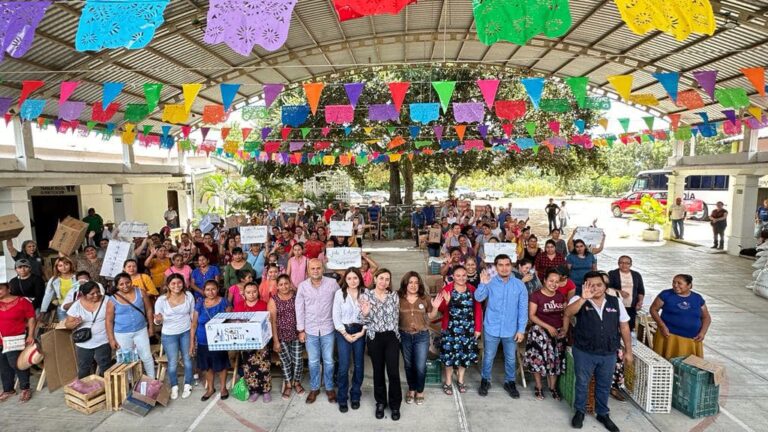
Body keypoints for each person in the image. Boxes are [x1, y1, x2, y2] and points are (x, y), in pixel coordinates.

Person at [564, 271, 633, 432]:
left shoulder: (615, 302)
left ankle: (603, 413)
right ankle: (579, 411)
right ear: (585, 285)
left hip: (608, 352)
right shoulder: (578, 299)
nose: (595, 288)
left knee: (604, 384)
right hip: (584, 351)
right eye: (591, 285)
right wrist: (583, 298)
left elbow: (624, 326)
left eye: (599, 284)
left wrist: (628, 351)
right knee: (582, 383)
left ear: (605, 286)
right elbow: (567, 313)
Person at [475, 254, 528, 398]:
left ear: (512, 266)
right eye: (500, 265)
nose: (504, 268)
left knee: (510, 357)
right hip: (492, 327)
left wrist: (521, 330)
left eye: (507, 265)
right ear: (496, 267)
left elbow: (523, 309)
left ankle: (509, 382)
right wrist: (483, 284)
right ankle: (485, 380)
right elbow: (478, 298)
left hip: (511, 329)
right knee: (489, 356)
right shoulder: (490, 282)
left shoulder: (519, 285)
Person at [359, 269, 402, 421]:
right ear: (375, 278)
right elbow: (361, 320)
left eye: (387, 279)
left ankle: (395, 405)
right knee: (378, 371)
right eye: (381, 278)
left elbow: (396, 318)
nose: (384, 282)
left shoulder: (394, 296)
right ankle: (380, 402)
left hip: (391, 337)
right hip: (374, 337)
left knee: (393, 372)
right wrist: (365, 313)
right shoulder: (366, 296)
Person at [295, 259, 339, 404]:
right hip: (310, 329)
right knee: (313, 362)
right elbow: (299, 309)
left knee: (329, 361)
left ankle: (329, 387)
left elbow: (339, 304)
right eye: (312, 268)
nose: (315, 271)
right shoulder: (302, 287)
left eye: (318, 268)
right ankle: (314, 388)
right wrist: (301, 330)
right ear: (308, 271)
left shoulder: (332, 284)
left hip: (328, 328)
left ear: (323, 269)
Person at [435, 266, 482, 396]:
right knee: (449, 356)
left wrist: (478, 328)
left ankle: (461, 380)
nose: (461, 278)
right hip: (450, 328)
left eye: (464, 275)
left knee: (465, 355)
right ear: (453, 277)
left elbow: (478, 310)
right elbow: (440, 309)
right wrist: (447, 302)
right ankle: (448, 381)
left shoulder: (472, 290)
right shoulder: (447, 289)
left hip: (468, 329)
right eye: (458, 275)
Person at [398, 271, 441, 405]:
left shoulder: (425, 298)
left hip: (421, 336)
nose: (413, 285)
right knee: (408, 365)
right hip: (404, 336)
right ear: (405, 284)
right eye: (410, 282)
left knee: (420, 366)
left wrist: (435, 308)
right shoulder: (398, 298)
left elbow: (431, 317)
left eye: (416, 282)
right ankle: (411, 389)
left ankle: (420, 390)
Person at [524, 269, 567, 401]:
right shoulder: (536, 295)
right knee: (538, 360)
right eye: (551, 281)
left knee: (555, 361)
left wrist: (565, 328)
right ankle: (538, 387)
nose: (553, 284)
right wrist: (548, 327)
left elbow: (566, 314)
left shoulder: (560, 296)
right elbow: (532, 315)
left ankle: (552, 387)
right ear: (544, 280)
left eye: (556, 282)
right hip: (540, 333)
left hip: (557, 333)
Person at [106, 272, 155, 378]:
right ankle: (130, 382)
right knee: (127, 359)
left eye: (127, 282)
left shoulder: (141, 292)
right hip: (122, 334)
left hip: (141, 330)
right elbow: (109, 321)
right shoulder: (112, 300)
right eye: (121, 284)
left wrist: (151, 327)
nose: (125, 286)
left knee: (146, 356)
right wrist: (111, 339)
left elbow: (149, 309)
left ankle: (152, 380)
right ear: (117, 286)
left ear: (131, 281)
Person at [153, 274, 195, 400]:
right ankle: (174, 386)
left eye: (179, 282)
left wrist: (194, 334)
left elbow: (193, 315)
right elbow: (157, 321)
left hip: (186, 331)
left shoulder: (189, 296)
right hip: (169, 335)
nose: (177, 286)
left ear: (183, 283)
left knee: (188, 359)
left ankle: (188, 384)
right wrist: (158, 320)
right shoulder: (161, 300)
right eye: (173, 283)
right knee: (172, 362)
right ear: (168, 286)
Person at [650, 274, 711, 359]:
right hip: (669, 336)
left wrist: (703, 332)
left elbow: (706, 317)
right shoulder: (666, 294)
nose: (675, 285)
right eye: (674, 282)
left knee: (688, 365)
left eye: (679, 283)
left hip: (692, 339)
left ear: (689, 285)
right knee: (667, 363)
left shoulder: (697, 298)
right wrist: (662, 326)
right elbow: (653, 310)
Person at [333, 268, 367, 412]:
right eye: (349, 278)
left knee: (359, 365)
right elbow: (335, 316)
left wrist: (362, 332)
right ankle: (342, 398)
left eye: (355, 278)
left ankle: (355, 396)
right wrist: (345, 334)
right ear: (345, 280)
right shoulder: (340, 294)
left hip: (360, 330)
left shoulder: (365, 294)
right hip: (343, 331)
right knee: (344, 366)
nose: (352, 281)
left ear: (360, 278)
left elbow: (369, 315)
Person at [192, 279, 231, 401]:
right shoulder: (200, 303)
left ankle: (223, 388)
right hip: (203, 340)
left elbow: (230, 319)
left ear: (218, 289)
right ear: (204, 291)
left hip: (219, 340)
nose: (211, 292)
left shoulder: (224, 302)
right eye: (207, 290)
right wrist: (191, 343)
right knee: (207, 366)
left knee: (221, 364)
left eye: (213, 289)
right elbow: (194, 324)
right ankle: (210, 388)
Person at [234, 281, 272, 403]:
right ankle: (254, 391)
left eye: (254, 291)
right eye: (248, 292)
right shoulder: (239, 306)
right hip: (246, 343)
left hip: (262, 343)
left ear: (258, 292)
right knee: (249, 368)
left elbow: (268, 322)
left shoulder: (263, 304)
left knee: (264, 366)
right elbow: (235, 323)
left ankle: (266, 391)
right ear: (244, 294)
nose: (252, 294)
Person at [268, 274, 304, 400]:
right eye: (281, 284)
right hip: (281, 336)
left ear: (290, 283)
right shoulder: (273, 300)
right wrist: (275, 341)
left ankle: (297, 382)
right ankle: (288, 385)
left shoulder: (296, 296)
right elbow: (272, 321)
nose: (284, 286)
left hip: (296, 334)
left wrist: (302, 331)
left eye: (286, 283)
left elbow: (302, 313)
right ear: (277, 286)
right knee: (285, 362)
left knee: (298, 361)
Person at [64, 281, 110, 379]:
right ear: (84, 295)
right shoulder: (77, 305)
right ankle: (84, 390)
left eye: (98, 292)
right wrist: (76, 322)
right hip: (83, 343)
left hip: (103, 340)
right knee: (84, 368)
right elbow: (68, 324)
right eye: (92, 294)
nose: (96, 295)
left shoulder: (106, 300)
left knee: (105, 366)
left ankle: (105, 390)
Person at [0, 282, 36, 402]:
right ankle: (8, 389)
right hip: (1, 339)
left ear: (9, 288)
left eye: (0, 289)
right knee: (3, 366)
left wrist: (30, 335)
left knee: (18, 364)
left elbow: (31, 317)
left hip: (15, 338)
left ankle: (25, 388)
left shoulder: (22, 301)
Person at [607, 256, 645, 330]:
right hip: (616, 306)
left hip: (632, 306)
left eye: (627, 263)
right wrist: (620, 292)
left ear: (630, 264)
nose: (624, 265)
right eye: (621, 263)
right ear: (618, 263)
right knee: (614, 327)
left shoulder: (636, 275)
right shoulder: (612, 274)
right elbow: (606, 288)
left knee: (629, 327)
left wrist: (640, 301)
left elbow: (641, 290)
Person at [41, 256, 78, 321]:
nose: (63, 268)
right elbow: (47, 295)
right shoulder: (54, 279)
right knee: (64, 329)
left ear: (70, 264)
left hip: (77, 307)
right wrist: (43, 310)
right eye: (60, 265)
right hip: (62, 308)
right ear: (57, 267)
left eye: (66, 264)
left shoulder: (77, 277)